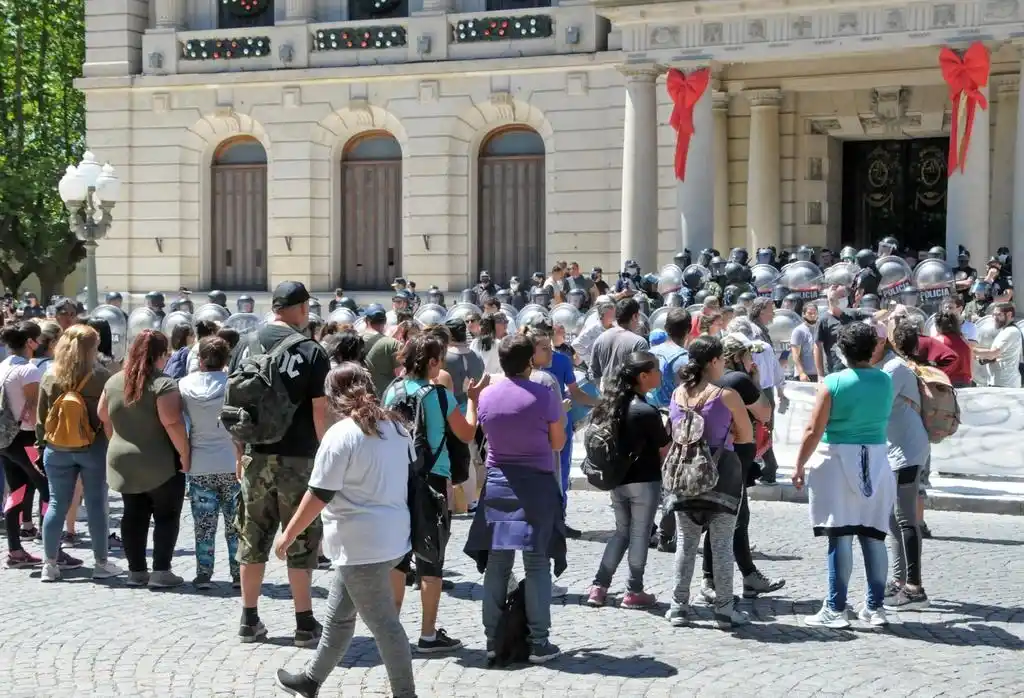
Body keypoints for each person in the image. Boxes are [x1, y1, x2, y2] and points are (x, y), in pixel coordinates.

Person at [274, 363, 416, 698]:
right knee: (339, 619)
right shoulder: (397, 428)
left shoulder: (342, 435)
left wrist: (288, 534)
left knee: (385, 627)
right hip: (392, 538)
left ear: (334, 397)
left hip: (360, 546)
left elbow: (319, 493)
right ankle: (310, 680)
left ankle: (406, 694)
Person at [228, 281, 331, 646]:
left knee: (251, 534)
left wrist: (240, 453)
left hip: (256, 455)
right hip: (300, 457)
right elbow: (320, 412)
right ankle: (304, 623)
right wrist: (325, 453)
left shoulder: (244, 344)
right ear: (302, 308)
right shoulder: (311, 351)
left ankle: (249, 619)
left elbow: (234, 406)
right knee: (300, 537)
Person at [464, 333, 567, 663]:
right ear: (529, 362)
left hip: (498, 482)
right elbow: (558, 444)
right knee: (537, 563)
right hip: (536, 483)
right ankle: (539, 642)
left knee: (497, 564)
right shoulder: (543, 394)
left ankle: (492, 640)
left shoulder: (487, 397)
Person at [792, 322, 896, 628]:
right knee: (874, 536)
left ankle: (836, 608)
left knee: (840, 536)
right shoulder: (885, 381)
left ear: (842, 350)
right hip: (876, 459)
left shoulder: (833, 383)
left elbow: (814, 429)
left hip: (837, 460)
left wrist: (798, 464)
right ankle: (874, 607)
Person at [384, 334, 483, 654]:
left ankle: (392, 630)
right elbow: (467, 432)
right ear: (432, 363)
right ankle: (427, 634)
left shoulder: (392, 390)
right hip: (433, 481)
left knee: (398, 557)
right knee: (431, 560)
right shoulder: (438, 395)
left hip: (396, 479)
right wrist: (472, 400)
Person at [666, 336, 754, 629]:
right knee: (721, 544)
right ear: (714, 361)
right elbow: (746, 435)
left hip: (683, 477)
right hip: (721, 476)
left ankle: (678, 606)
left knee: (685, 543)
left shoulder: (678, 393)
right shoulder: (726, 395)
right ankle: (724, 608)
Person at [99, 329, 189, 588]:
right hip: (159, 462)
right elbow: (172, 422)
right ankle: (161, 571)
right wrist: (185, 454)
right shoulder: (164, 383)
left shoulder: (114, 381)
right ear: (161, 355)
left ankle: (136, 570)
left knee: (133, 515)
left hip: (123, 460)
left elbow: (103, 415)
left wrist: (116, 441)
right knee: (166, 515)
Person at [701, 332, 785, 599]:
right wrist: (756, 382)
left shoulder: (708, 381)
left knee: (727, 516)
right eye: (748, 353)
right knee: (731, 518)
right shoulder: (738, 380)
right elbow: (765, 412)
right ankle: (719, 581)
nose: (752, 358)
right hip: (734, 458)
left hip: (716, 456)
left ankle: (741, 576)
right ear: (738, 356)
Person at [35, 325, 121, 581]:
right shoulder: (101, 377)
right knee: (96, 504)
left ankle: (49, 564)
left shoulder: (50, 376)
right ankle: (101, 563)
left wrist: (42, 446)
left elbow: (42, 419)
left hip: (57, 448)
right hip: (92, 447)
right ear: (91, 349)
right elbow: (108, 416)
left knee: (56, 504)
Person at [587, 352, 670, 609]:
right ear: (643, 376)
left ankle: (599, 587)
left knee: (621, 532)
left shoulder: (610, 405)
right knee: (640, 534)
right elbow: (663, 448)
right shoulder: (646, 411)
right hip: (644, 482)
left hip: (617, 479)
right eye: (656, 369)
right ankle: (634, 590)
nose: (660, 373)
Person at [874, 320, 930, 612]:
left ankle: (914, 588)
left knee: (906, 519)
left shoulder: (893, 369)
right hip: (899, 449)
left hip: (907, 451)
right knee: (895, 520)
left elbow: (877, 405)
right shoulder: (889, 366)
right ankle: (899, 580)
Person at [178, 336, 241, 590]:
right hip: (230, 460)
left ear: (200, 359)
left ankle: (204, 572)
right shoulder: (232, 385)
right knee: (236, 523)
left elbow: (181, 423)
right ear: (226, 359)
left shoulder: (183, 385)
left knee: (203, 523)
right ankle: (239, 573)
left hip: (199, 460)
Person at [0, 323, 53, 567]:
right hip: (26, 437)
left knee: (17, 490)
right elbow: (35, 408)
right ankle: (51, 549)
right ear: (30, 342)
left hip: (5, 439)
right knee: (47, 489)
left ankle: (15, 550)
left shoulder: (2, 367)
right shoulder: (29, 371)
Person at [589, 298, 650, 393]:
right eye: (638, 317)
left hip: (608, 400)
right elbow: (645, 376)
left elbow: (593, 373)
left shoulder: (600, 339)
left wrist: (604, 394)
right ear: (635, 316)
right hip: (630, 401)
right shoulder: (639, 342)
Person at [973, 302, 1022, 388]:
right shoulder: (1004, 331)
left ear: (1009, 314)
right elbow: (996, 357)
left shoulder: (1010, 331)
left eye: (998, 315)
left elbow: (993, 354)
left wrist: (970, 350)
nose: (994, 318)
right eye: (993, 315)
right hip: (1000, 382)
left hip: (1005, 384)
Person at [814, 285, 859, 378]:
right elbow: (817, 348)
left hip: (855, 369)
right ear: (831, 299)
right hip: (836, 370)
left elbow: (874, 315)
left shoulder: (852, 314)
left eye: (844, 295)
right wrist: (820, 375)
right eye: (840, 296)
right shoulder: (823, 320)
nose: (843, 298)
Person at [361, 304, 402, 397]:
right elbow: (401, 374)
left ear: (366, 320)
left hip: (361, 397)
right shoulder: (392, 343)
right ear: (385, 321)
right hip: (386, 396)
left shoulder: (353, 340)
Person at [933, 310, 973, 388]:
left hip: (945, 384)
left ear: (938, 325)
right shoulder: (964, 340)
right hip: (965, 384)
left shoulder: (937, 342)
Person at [571, 300, 615, 367]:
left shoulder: (616, 326)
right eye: (611, 313)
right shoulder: (593, 329)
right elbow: (576, 344)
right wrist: (591, 358)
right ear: (603, 315)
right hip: (597, 368)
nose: (614, 315)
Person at [470, 312, 508, 376]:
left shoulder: (474, 343)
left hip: (479, 379)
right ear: (494, 327)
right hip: (496, 380)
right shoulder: (500, 344)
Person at [791, 303, 819, 382]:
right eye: (810, 313)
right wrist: (802, 373)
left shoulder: (820, 329)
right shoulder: (798, 331)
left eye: (815, 313)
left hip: (819, 373)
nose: (813, 315)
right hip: (806, 374)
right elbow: (795, 355)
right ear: (803, 314)